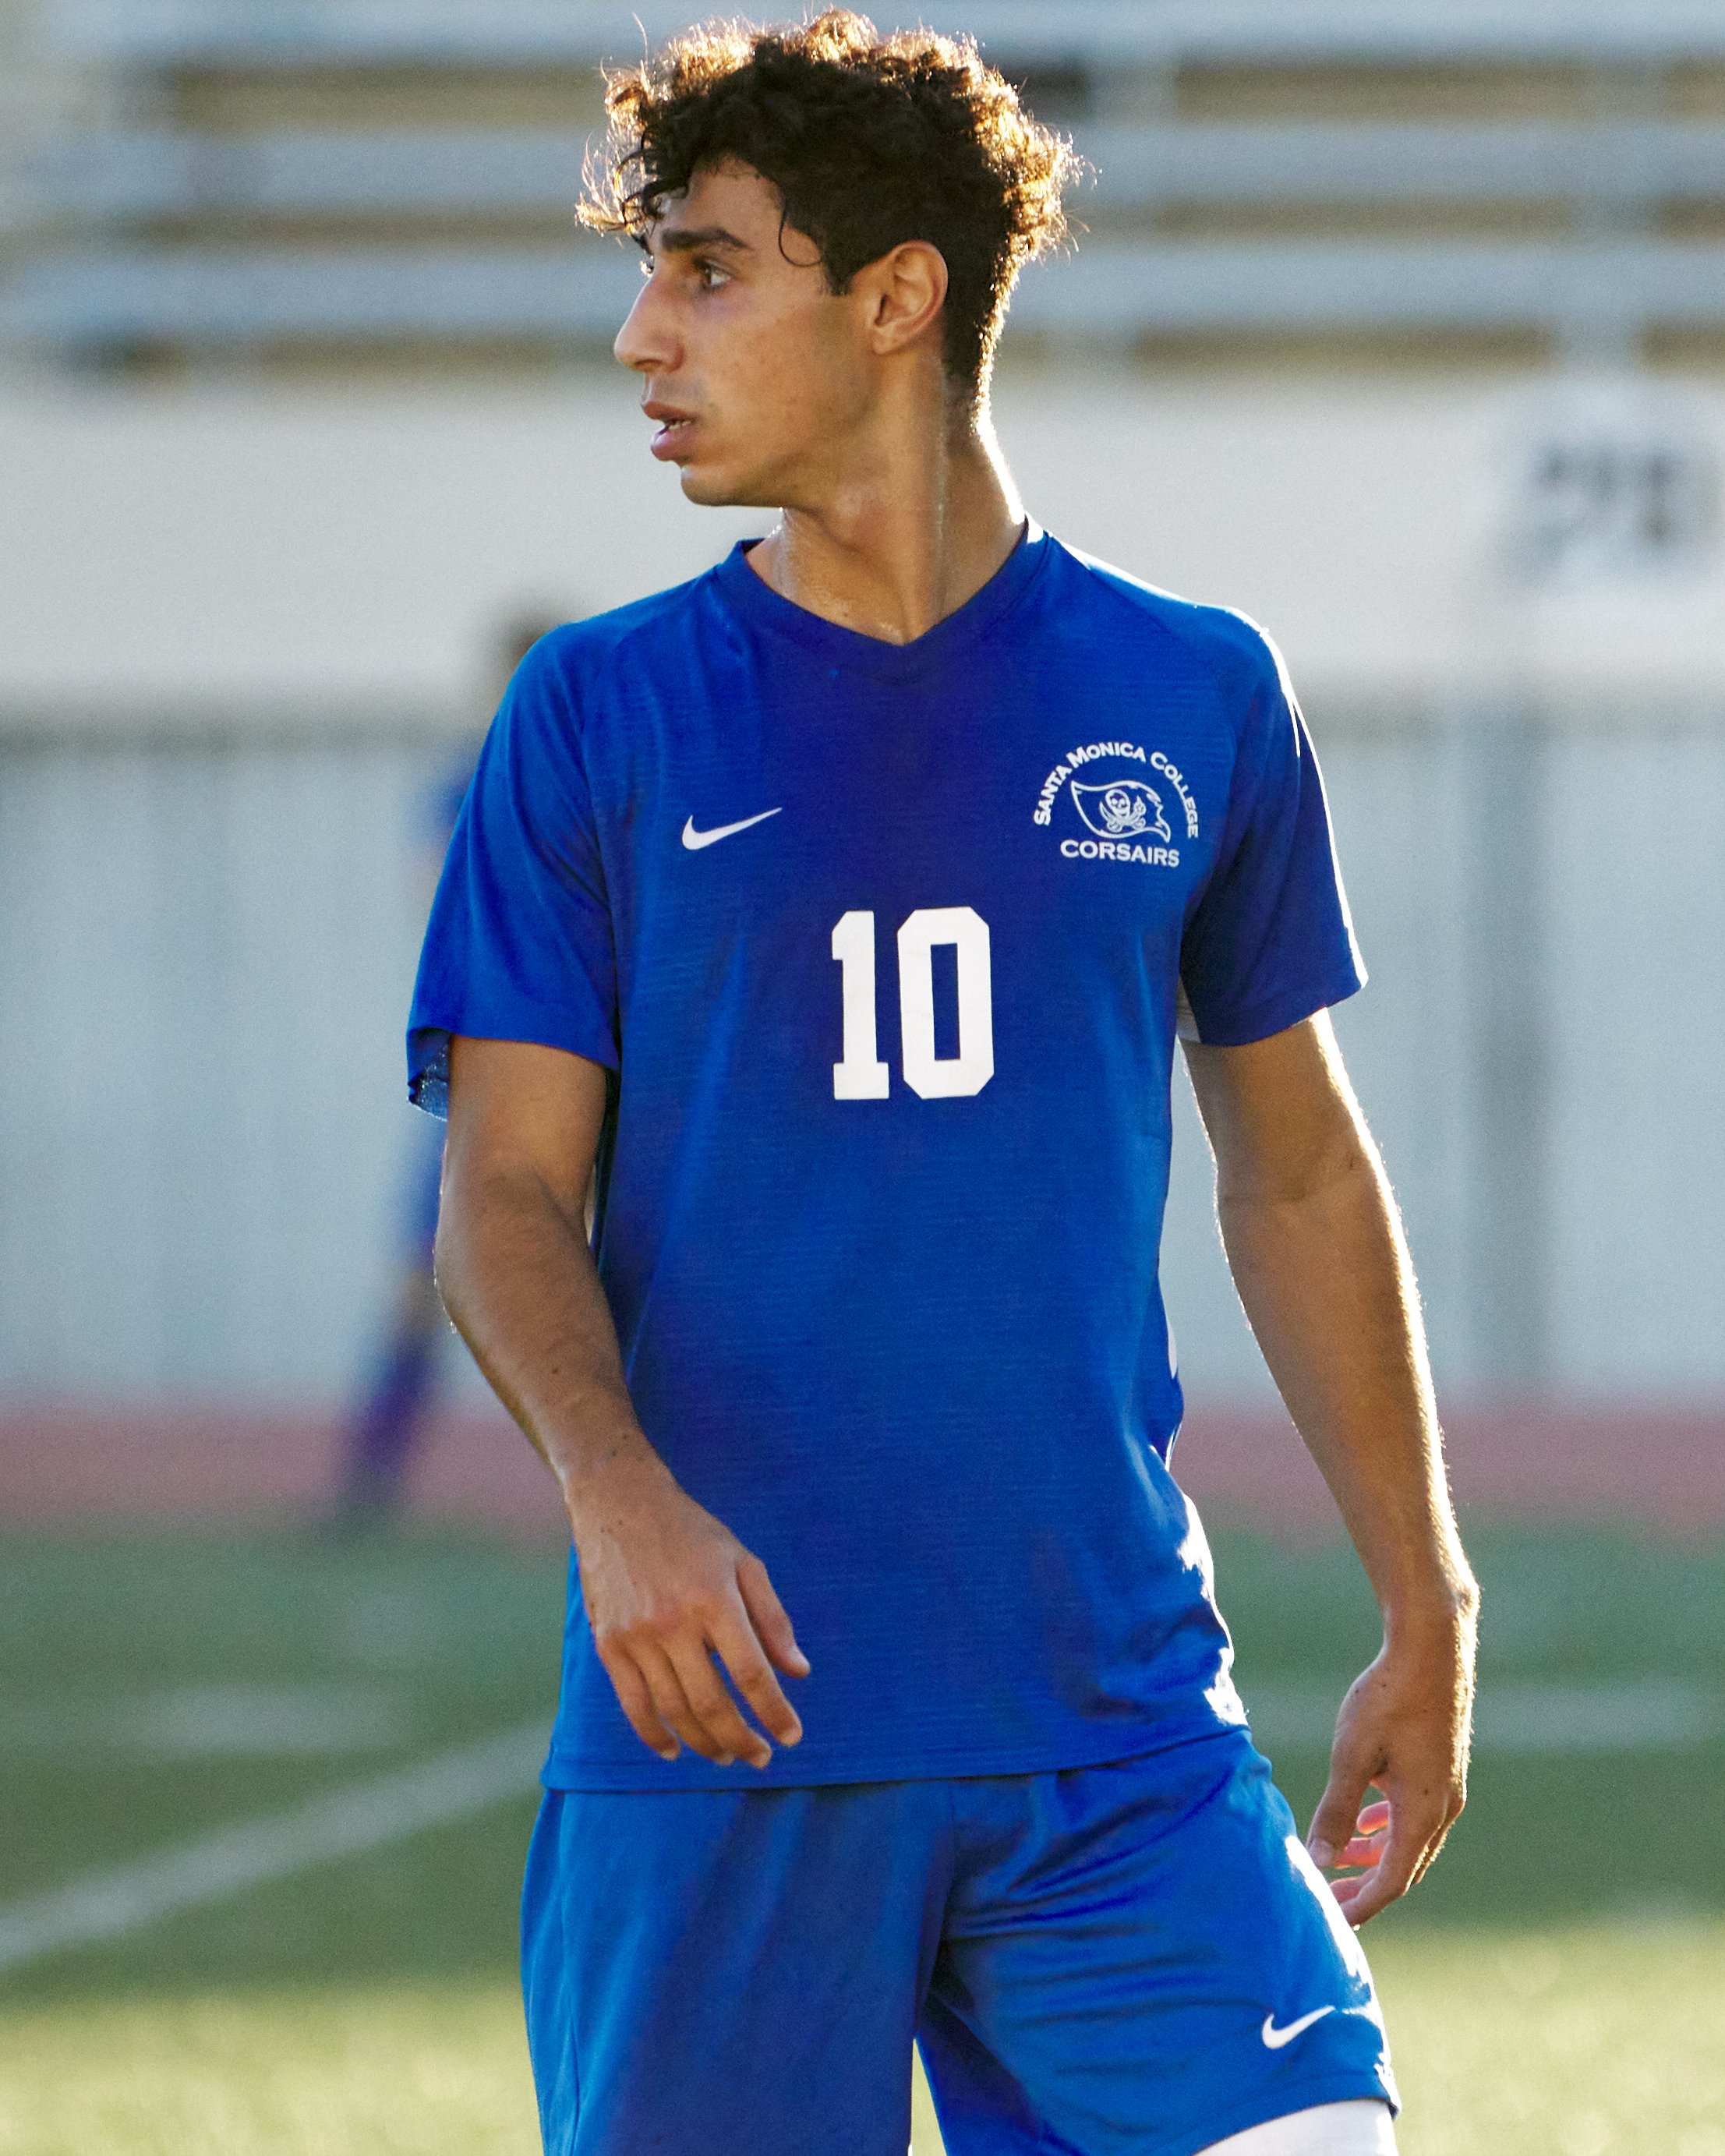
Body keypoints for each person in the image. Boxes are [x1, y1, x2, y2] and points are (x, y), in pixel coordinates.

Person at [405, 16, 1479, 2155]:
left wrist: (1420, 1592)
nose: (641, 334)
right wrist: (620, 1508)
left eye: (707, 270)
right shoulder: (592, 716)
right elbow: (504, 1202)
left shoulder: (1193, 691)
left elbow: (1291, 1172)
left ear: (895, 297)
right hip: (723, 1728)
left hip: (1113, 1727)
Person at [336, 617, 564, 1527]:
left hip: (593, 1073)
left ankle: (617, 1477)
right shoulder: (467, 785)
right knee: (419, 1279)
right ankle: (370, 1485)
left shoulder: (601, 770)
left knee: (612, 1281)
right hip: (480, 1077)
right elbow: (441, 908)